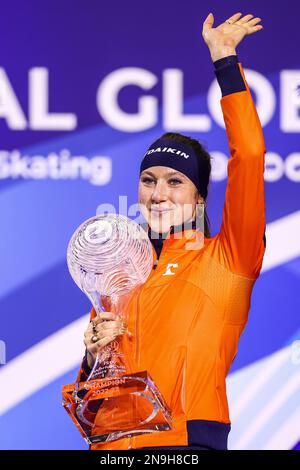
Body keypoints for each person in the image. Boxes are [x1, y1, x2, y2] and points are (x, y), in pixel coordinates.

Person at [76, 11, 266, 450]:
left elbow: (250, 154)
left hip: (185, 445)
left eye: (175, 181)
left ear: (199, 198)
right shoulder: (117, 275)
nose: (159, 193)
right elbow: (91, 402)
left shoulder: (229, 258)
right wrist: (91, 359)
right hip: (110, 448)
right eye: (149, 180)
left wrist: (225, 61)